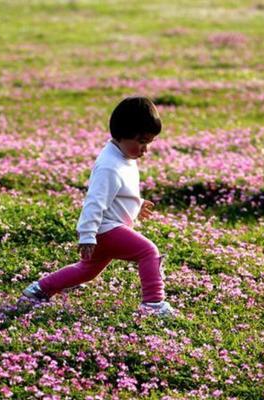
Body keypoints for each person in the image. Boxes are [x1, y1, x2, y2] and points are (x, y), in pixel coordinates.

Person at [22, 96, 174, 317]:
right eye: (141, 141)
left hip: (108, 228)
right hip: (106, 229)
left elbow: (119, 193)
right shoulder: (109, 166)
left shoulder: (123, 157)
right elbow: (95, 201)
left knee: (87, 271)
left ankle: (39, 289)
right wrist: (87, 235)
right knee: (148, 251)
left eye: (149, 142)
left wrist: (137, 204)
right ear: (122, 133)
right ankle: (153, 303)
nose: (145, 149)